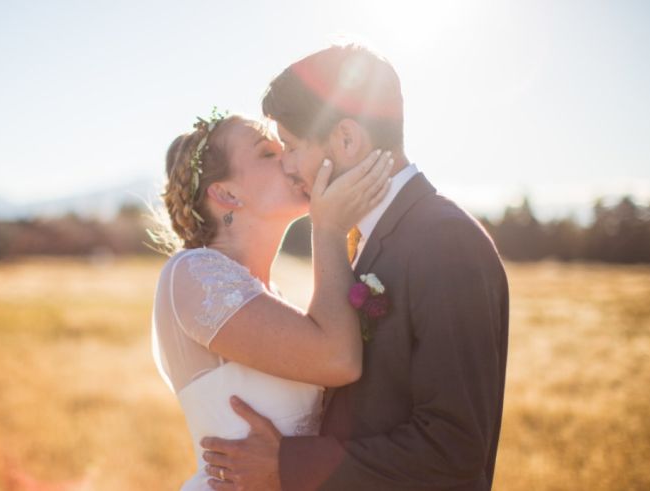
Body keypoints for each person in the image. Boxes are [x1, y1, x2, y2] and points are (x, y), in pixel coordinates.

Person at [200, 44, 510, 490]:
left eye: (290, 145)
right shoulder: (375, 236)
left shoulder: (445, 241)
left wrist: (287, 464)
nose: (286, 166)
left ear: (346, 140)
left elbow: (454, 449)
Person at [150, 109, 394, 490]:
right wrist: (328, 227)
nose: (289, 159)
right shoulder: (192, 273)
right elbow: (339, 360)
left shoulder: (274, 299)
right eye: (268, 153)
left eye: (287, 148)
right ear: (227, 193)